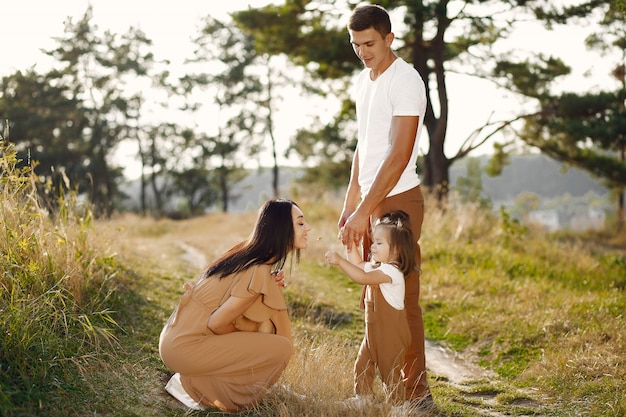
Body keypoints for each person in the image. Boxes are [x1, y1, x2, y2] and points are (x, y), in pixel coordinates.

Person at [338, 3, 435, 410]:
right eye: (356, 44)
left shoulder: (405, 80)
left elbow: (398, 154)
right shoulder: (364, 81)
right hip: (371, 200)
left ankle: (416, 397)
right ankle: (365, 393)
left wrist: (366, 210)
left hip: (399, 202)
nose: (363, 51)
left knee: (400, 302)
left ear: (389, 38)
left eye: (370, 43)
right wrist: (351, 204)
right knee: (373, 300)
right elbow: (366, 146)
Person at [158, 199, 311, 413]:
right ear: (281, 229)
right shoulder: (257, 268)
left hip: (176, 339)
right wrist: (249, 337)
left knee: (266, 333)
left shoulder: (248, 257)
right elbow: (217, 323)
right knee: (280, 348)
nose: (308, 228)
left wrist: (268, 286)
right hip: (185, 347)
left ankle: (206, 380)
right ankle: (193, 386)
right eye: (301, 223)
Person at [325, 211, 416, 405]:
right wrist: (350, 246)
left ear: (397, 250)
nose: (373, 246)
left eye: (379, 243)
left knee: (389, 371)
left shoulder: (391, 272)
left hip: (391, 334)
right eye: (373, 241)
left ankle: (398, 406)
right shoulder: (378, 266)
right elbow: (358, 264)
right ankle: (363, 398)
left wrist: (340, 262)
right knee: (363, 364)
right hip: (373, 333)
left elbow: (363, 278)